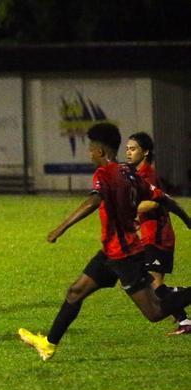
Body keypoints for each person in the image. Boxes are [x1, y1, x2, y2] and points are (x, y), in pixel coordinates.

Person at [18, 122, 191, 360]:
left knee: (154, 312)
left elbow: (93, 201)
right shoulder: (129, 172)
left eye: (90, 148)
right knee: (75, 292)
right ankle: (48, 344)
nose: (89, 153)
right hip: (110, 253)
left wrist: (61, 228)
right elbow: (164, 198)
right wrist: (187, 220)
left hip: (125, 255)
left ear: (100, 151)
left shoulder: (105, 173)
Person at [125, 131, 191, 335]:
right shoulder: (136, 173)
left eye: (133, 149)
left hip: (158, 237)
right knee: (152, 285)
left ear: (145, 152)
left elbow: (154, 202)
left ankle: (185, 317)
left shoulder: (147, 174)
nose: (128, 153)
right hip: (147, 236)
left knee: (153, 287)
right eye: (127, 149)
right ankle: (185, 321)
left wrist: (127, 209)